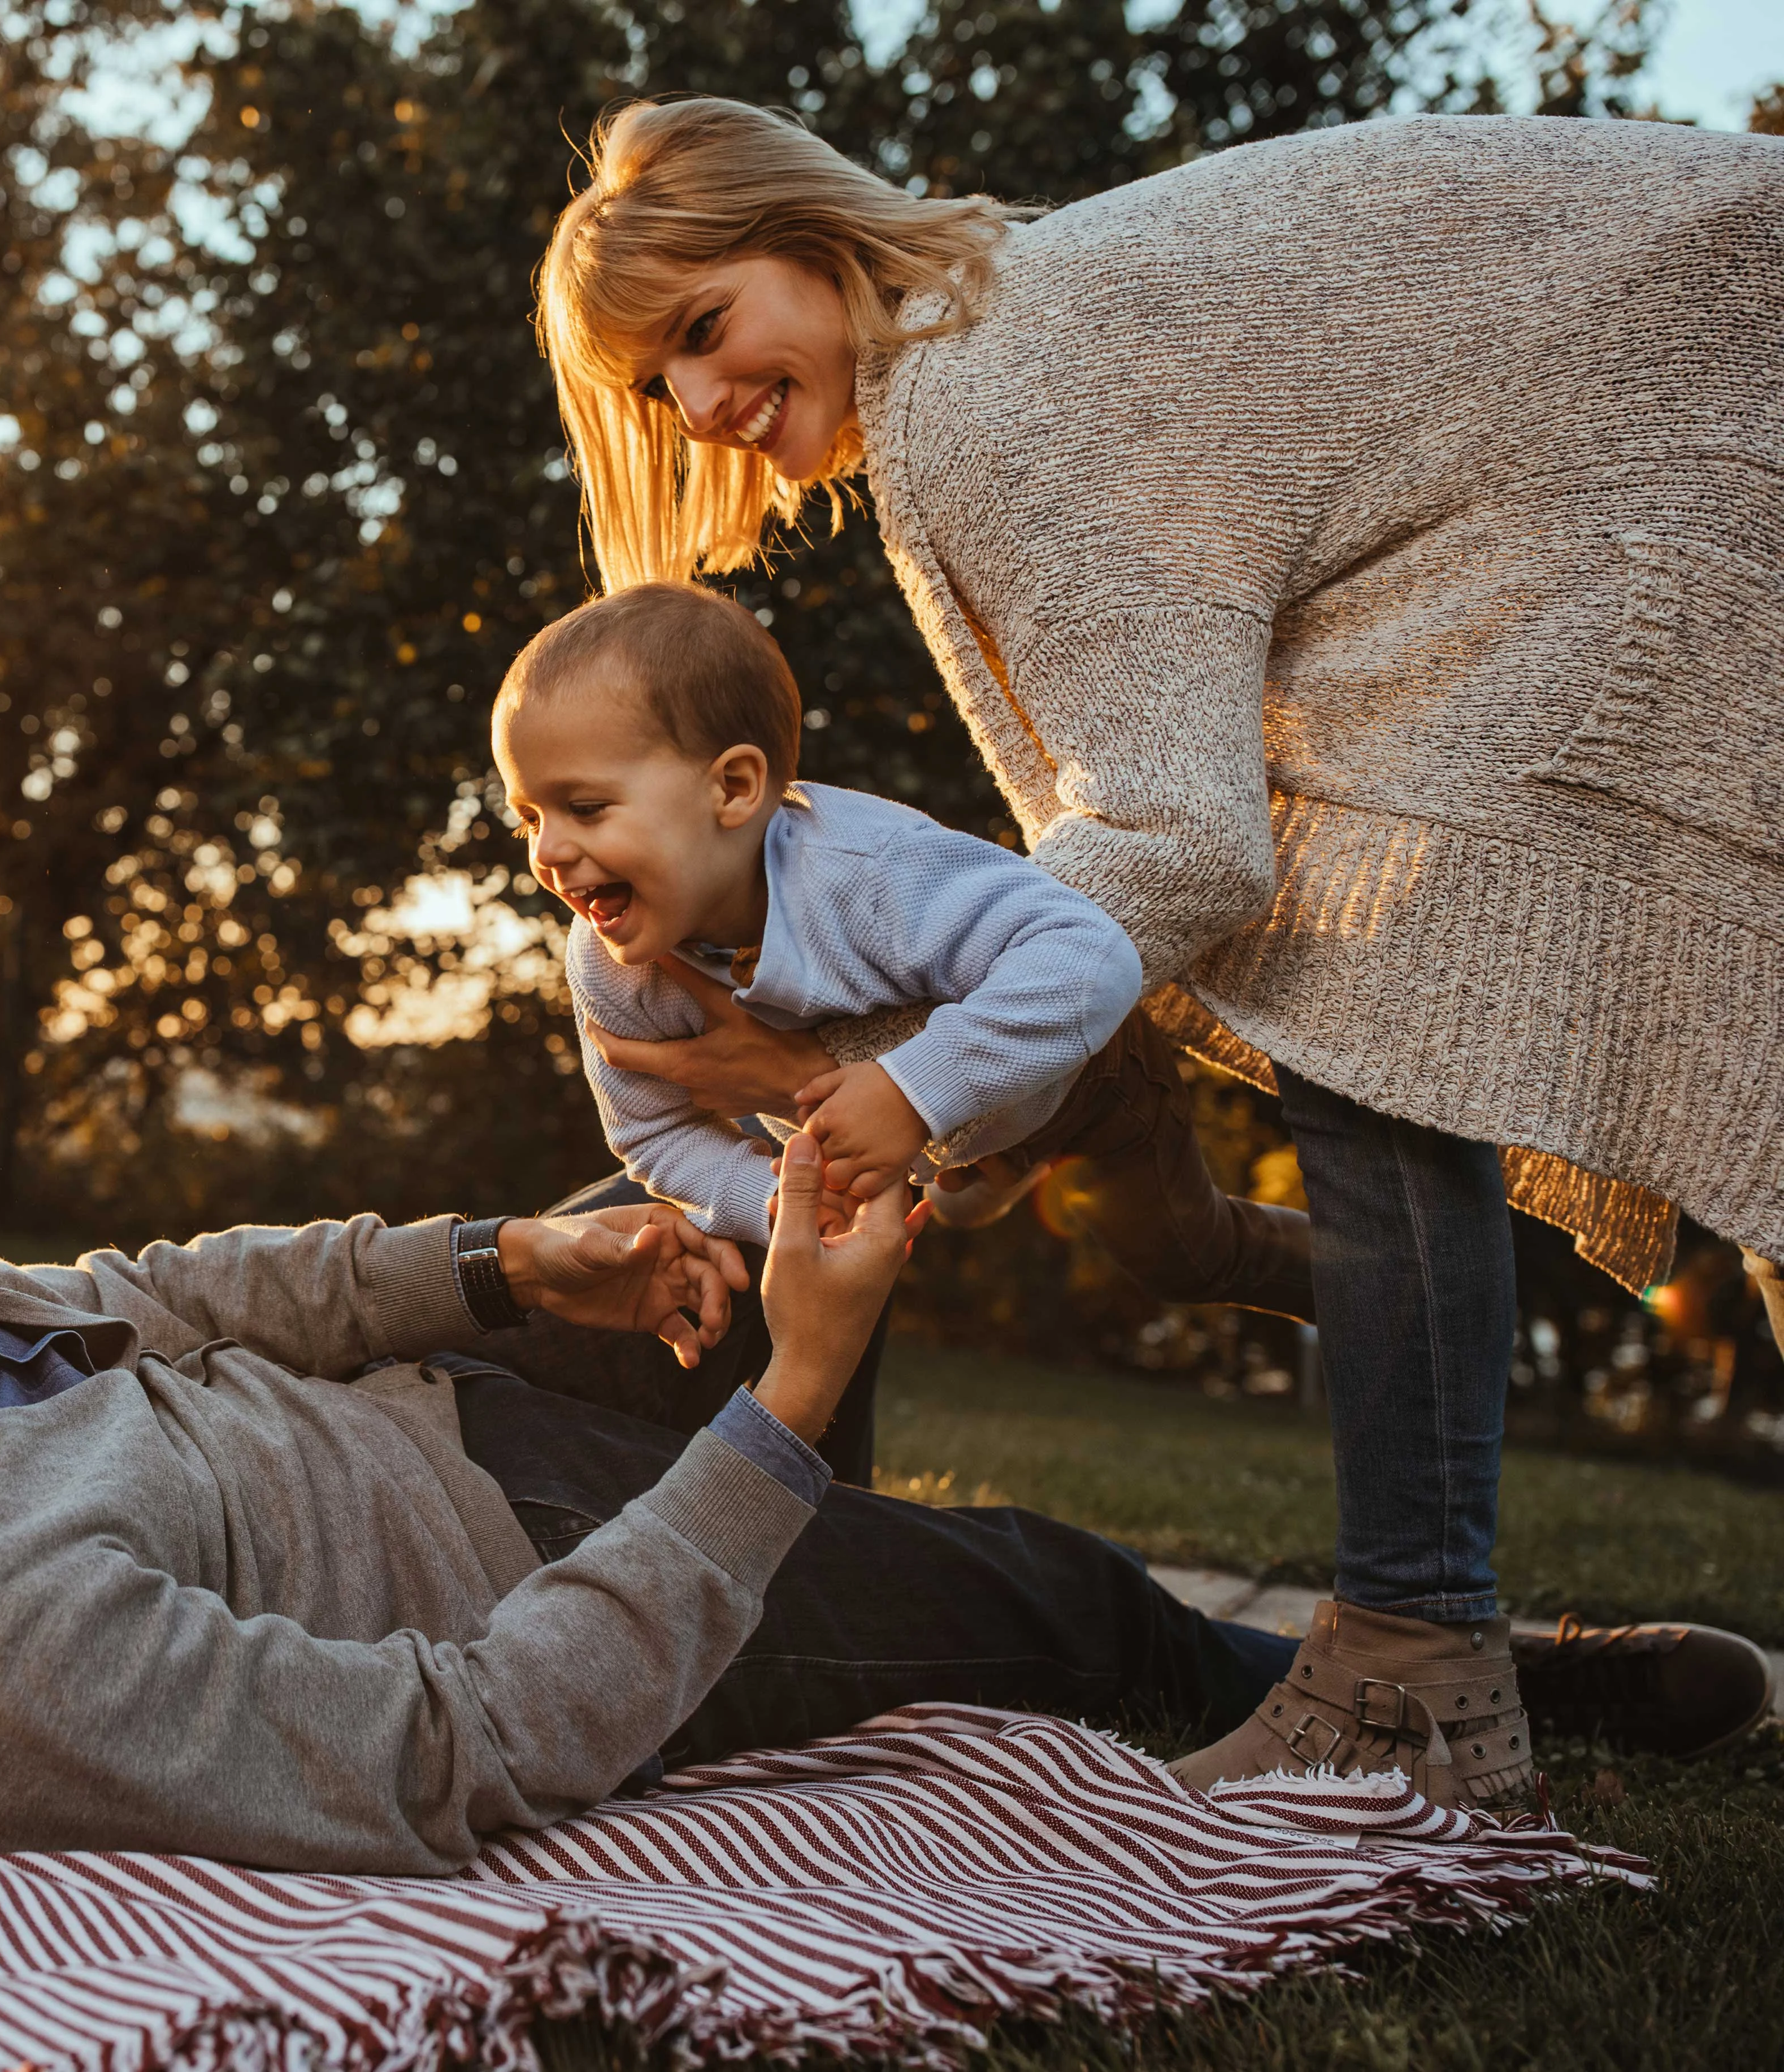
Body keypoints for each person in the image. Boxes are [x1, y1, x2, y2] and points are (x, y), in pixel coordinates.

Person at [531, 100, 1784, 1813]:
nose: (700, 411)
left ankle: (1415, 1657)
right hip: (1614, 449)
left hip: (1654, 431)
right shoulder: (990, 328)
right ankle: (1422, 1614)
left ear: (807, 235)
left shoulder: (981, 392)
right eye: (653, 390)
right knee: (1415, 1005)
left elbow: (1178, 835)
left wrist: (919, 1086)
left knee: (1379, 991)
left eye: (698, 329)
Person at [0, 958, 1766, 1872]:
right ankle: (1427, 1689)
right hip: (532, 1590)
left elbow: (162, 1290)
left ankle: (829, 1485)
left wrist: (502, 1262)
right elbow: (459, 1750)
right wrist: (798, 1405)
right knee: (1046, 1587)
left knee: (747, 1219)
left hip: (466, 1412)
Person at [494, 576, 1310, 1323]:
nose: (549, 852)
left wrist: (909, 1093)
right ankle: (969, 1167)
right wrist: (770, 1196)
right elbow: (651, 1133)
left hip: (1085, 1076)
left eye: (587, 808)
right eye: (531, 816)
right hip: (925, 1133)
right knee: (828, 1247)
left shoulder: (869, 874)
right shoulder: (612, 963)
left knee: (1184, 1255)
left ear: (735, 788)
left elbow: (1089, 955)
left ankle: (1373, 1288)